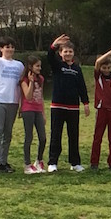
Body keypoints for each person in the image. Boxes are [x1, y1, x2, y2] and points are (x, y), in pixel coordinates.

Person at [47, 34, 90, 172]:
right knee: (56, 135)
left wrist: (86, 102)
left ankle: (75, 163)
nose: (68, 54)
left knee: (73, 135)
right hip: (58, 106)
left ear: (73, 53)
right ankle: (52, 162)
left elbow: (81, 87)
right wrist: (54, 45)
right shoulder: (57, 66)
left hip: (73, 107)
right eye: (65, 51)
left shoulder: (77, 69)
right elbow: (49, 56)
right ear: (60, 53)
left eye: (70, 51)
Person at [0, 21, 24, 173]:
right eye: (7, 47)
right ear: (1, 49)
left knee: (7, 133)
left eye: (12, 47)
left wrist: (21, 104)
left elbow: (21, 85)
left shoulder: (19, 65)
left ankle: (4, 161)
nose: (10, 49)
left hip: (12, 102)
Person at [89, 45, 111, 172]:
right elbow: (98, 62)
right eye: (104, 68)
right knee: (98, 137)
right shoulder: (99, 77)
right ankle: (94, 163)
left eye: (108, 68)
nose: (106, 70)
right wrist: (110, 52)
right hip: (102, 109)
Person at [19, 55, 46, 174]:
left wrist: (43, 113)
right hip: (28, 110)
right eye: (37, 66)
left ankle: (39, 160)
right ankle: (27, 164)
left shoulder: (41, 79)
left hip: (38, 110)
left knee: (43, 138)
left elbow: (41, 96)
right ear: (30, 67)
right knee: (29, 137)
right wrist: (30, 81)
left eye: (40, 66)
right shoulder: (24, 80)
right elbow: (28, 96)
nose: (39, 68)